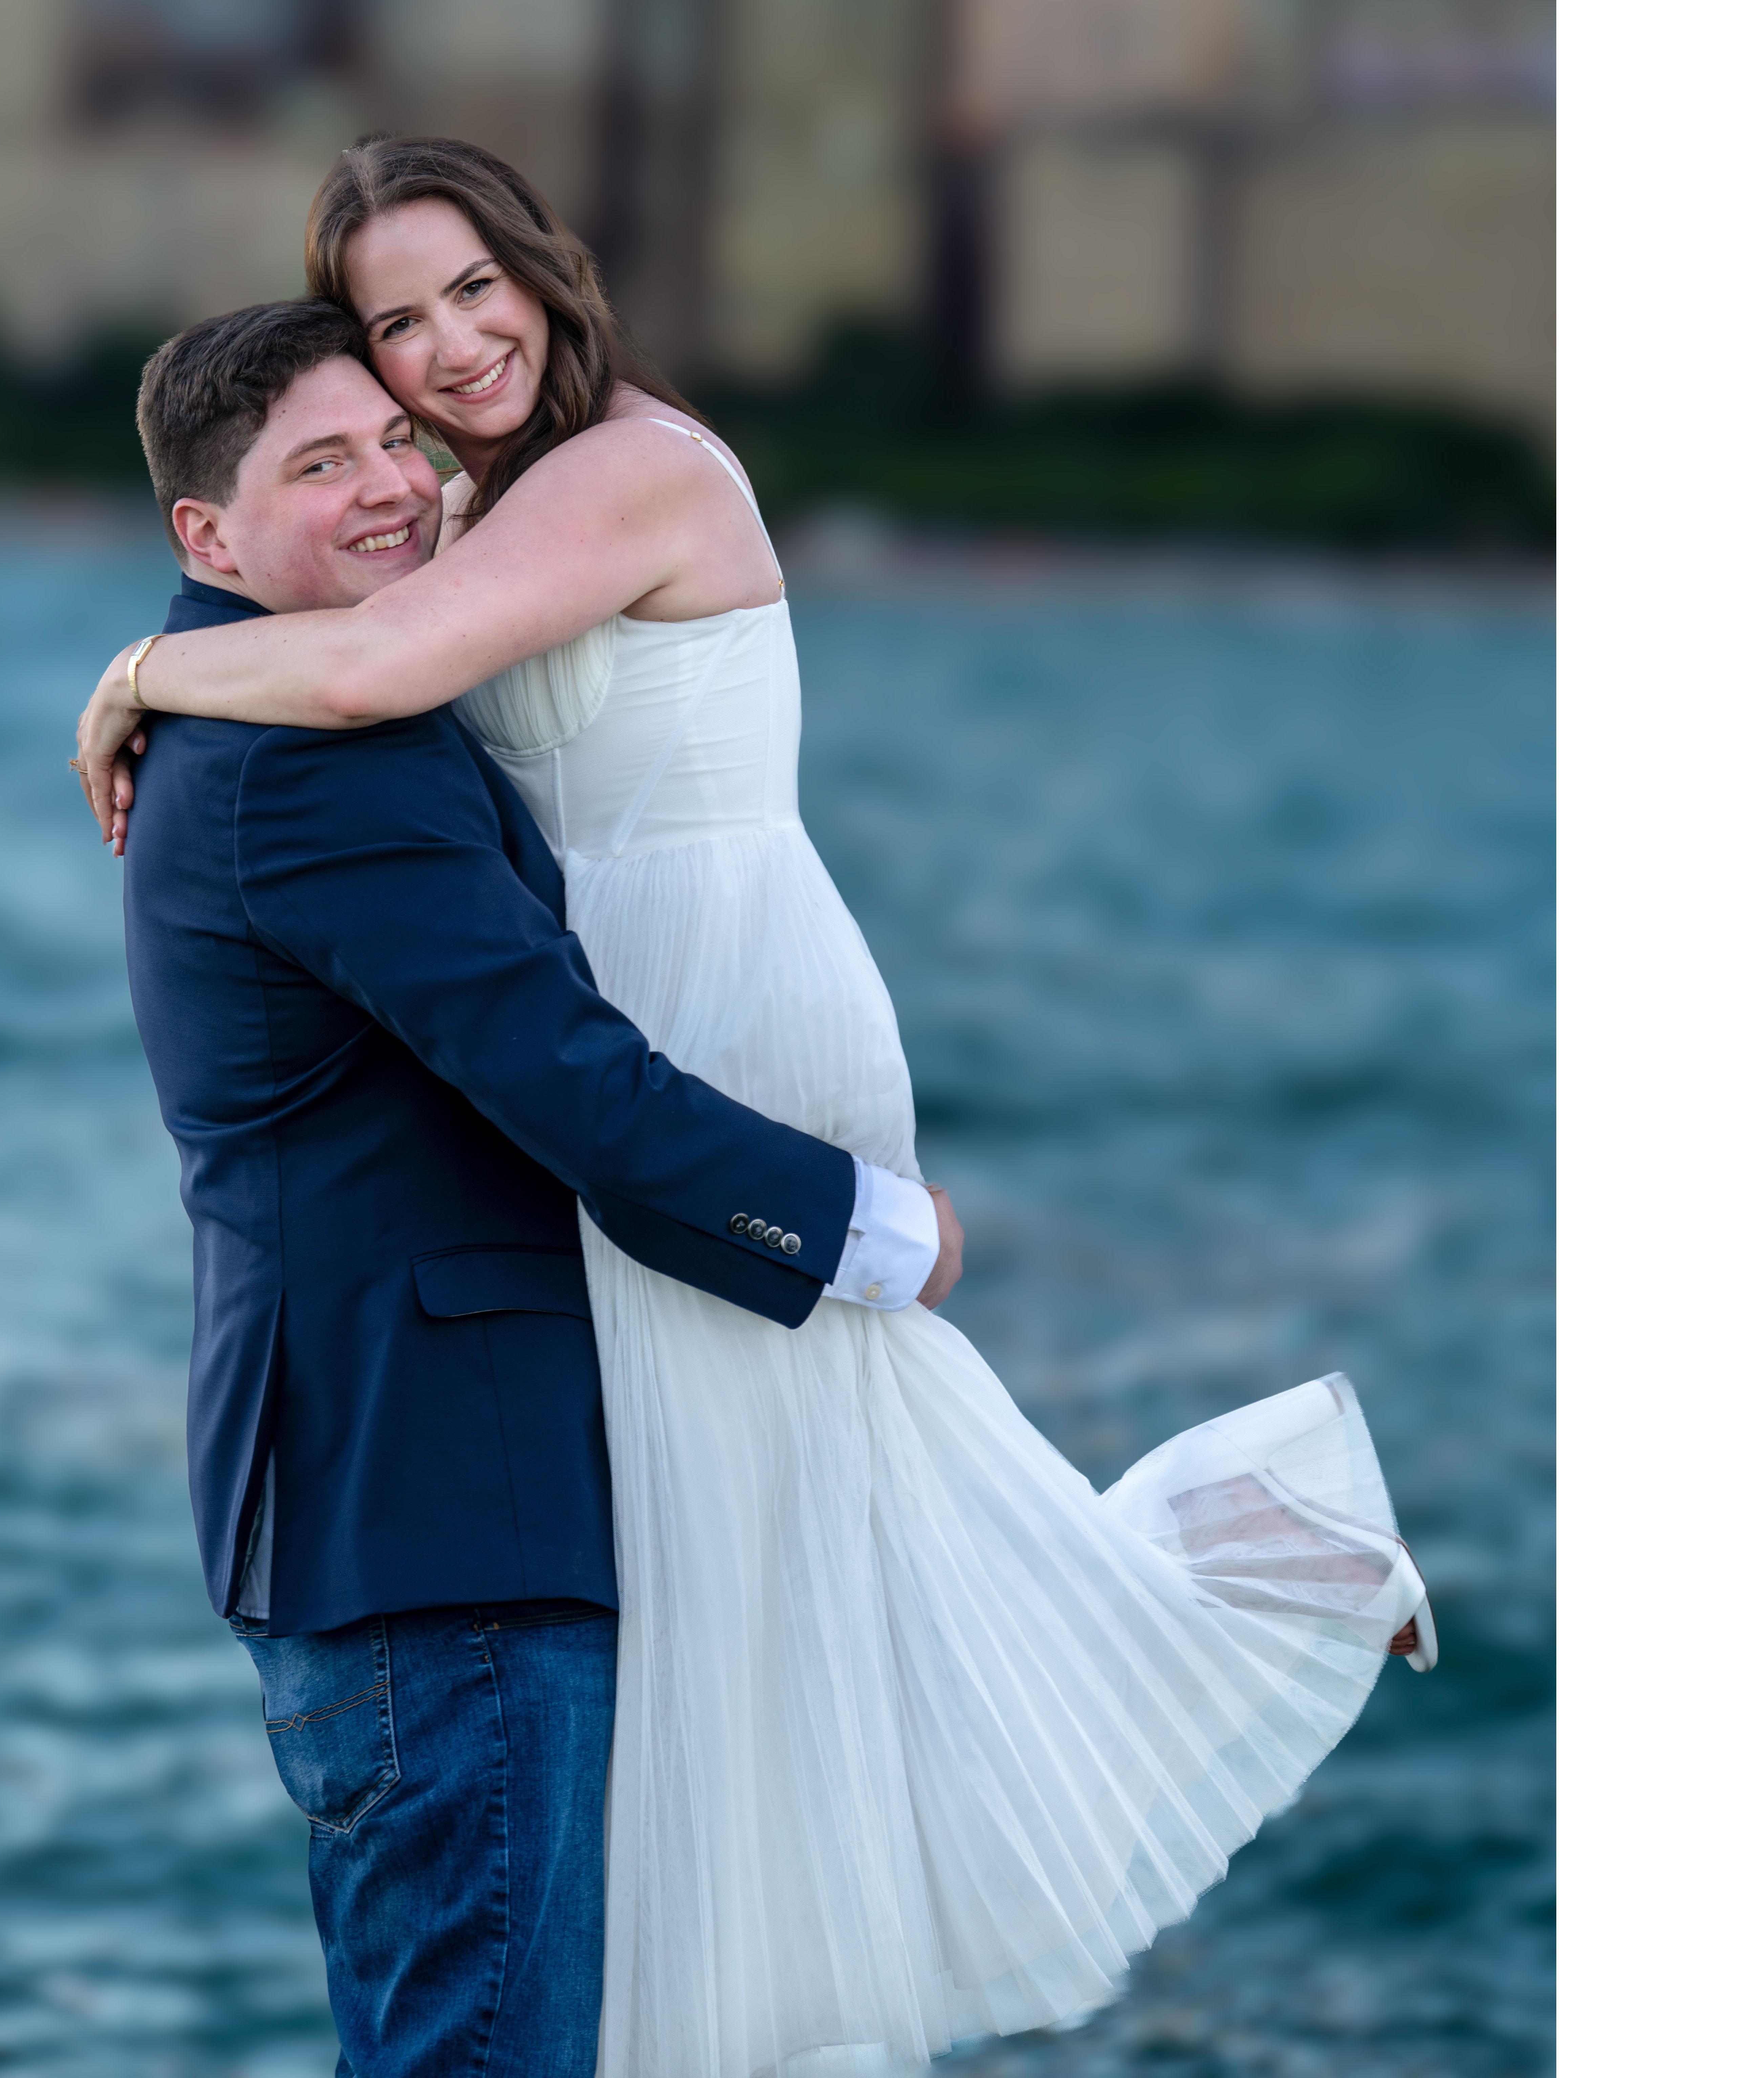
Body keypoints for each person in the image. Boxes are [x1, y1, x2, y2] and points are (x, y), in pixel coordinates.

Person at [81, 139, 1436, 2078]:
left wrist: (145, 666)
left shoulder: (620, 473)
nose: (444, 358)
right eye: (395, 331)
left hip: (711, 999)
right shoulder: (449, 531)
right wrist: (191, 646)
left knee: (831, 1474)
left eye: (472, 293)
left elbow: (376, 667)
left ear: (545, 272)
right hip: (595, 1051)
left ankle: (1255, 1566)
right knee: (751, 1557)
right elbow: (369, 675)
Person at [115, 295, 962, 2078]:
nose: (388, 487)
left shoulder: (276, 703)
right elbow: (571, 1083)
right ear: (209, 533)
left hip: (395, 1513)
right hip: (444, 1518)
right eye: (320, 465)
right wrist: (875, 1232)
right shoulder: (311, 762)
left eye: (394, 441)